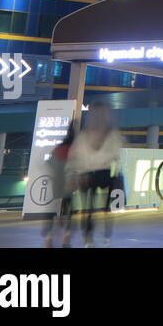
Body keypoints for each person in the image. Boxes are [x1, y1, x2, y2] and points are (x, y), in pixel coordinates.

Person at [67, 103, 125, 246]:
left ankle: (102, 236)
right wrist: (79, 173)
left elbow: (114, 154)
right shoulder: (84, 136)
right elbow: (76, 156)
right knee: (89, 209)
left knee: (102, 209)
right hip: (88, 173)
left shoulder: (111, 135)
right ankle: (89, 237)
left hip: (102, 173)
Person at [44, 123, 77, 247]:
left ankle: (48, 235)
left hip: (57, 179)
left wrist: (56, 169)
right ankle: (67, 234)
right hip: (69, 179)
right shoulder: (74, 148)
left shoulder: (59, 147)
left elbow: (49, 162)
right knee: (69, 206)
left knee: (54, 207)